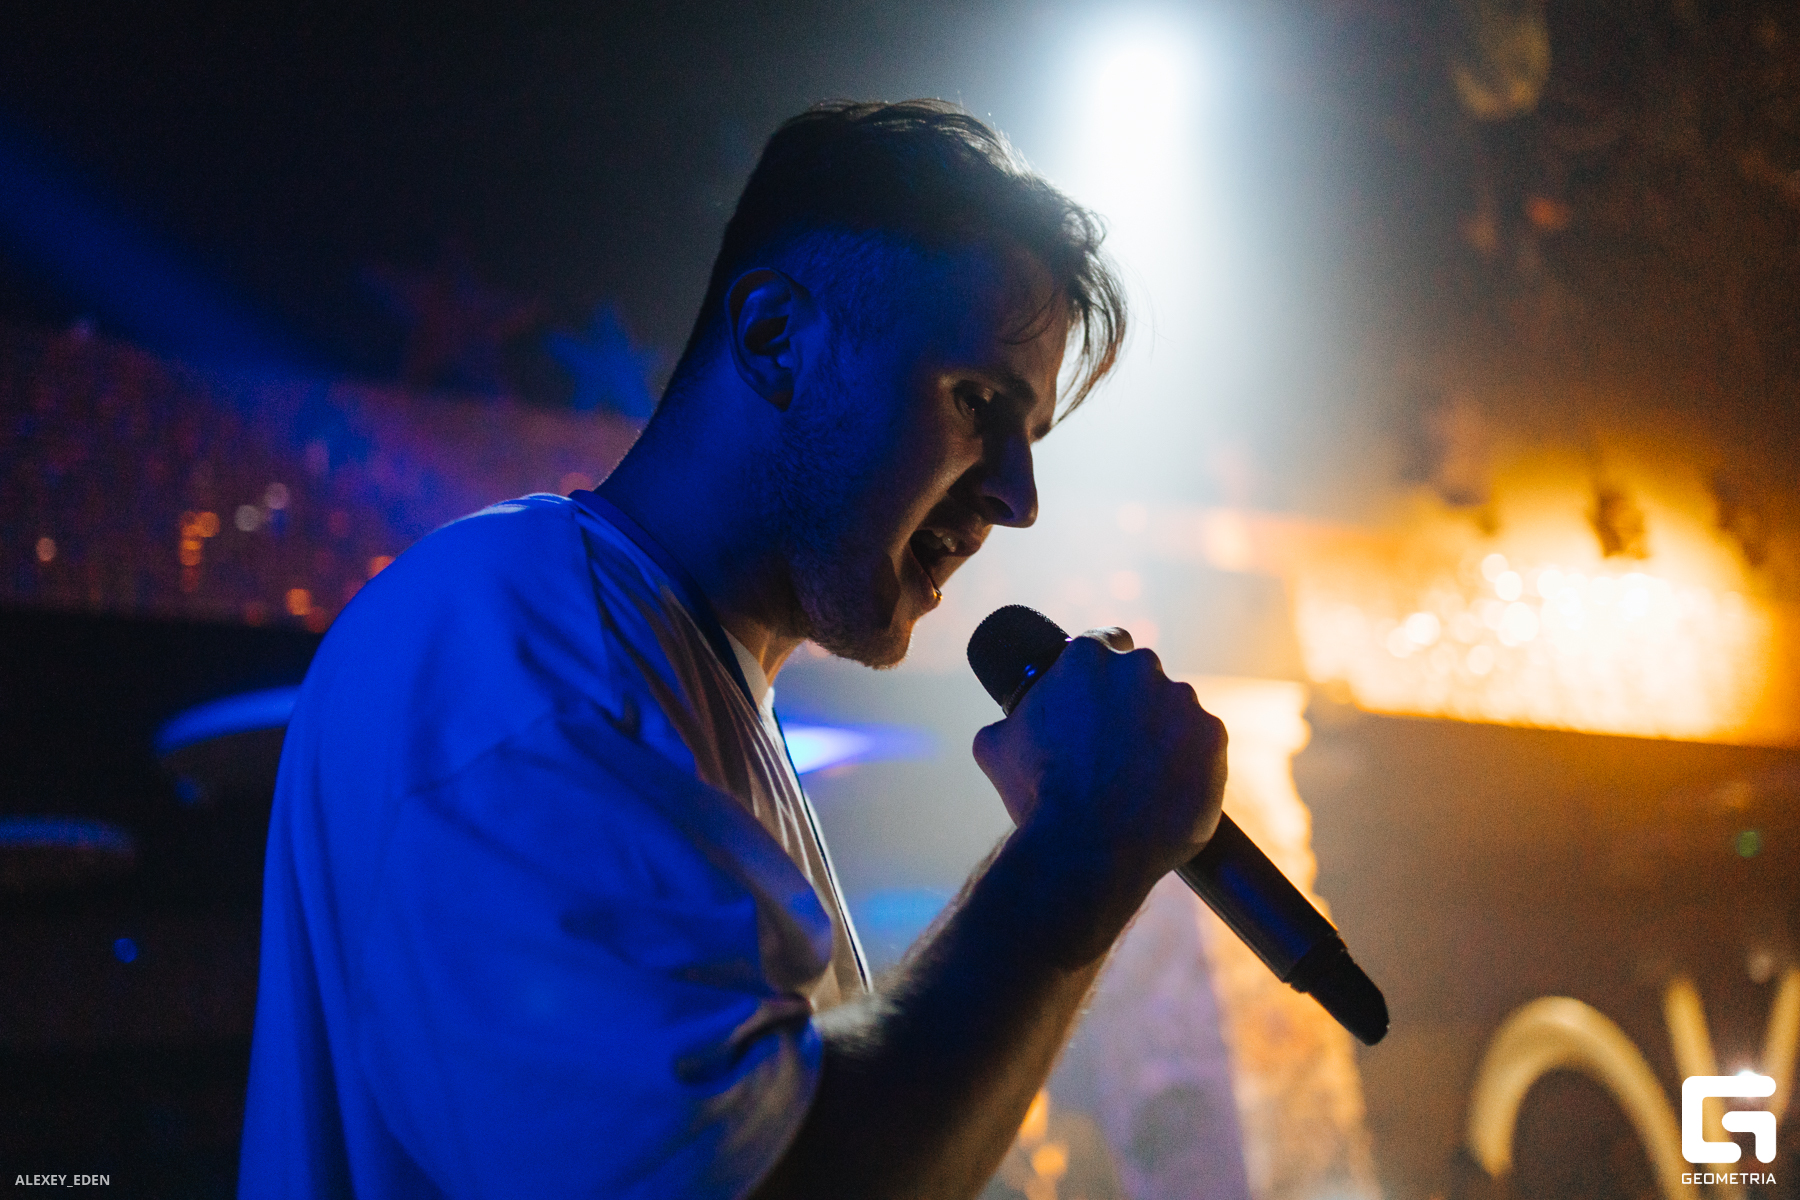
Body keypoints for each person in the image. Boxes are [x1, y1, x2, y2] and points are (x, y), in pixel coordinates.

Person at [239, 99, 1227, 1199]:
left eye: (1026, 438)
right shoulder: (525, 653)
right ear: (773, 338)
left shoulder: (661, 668)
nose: (1016, 497)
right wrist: (1078, 848)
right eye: (975, 401)